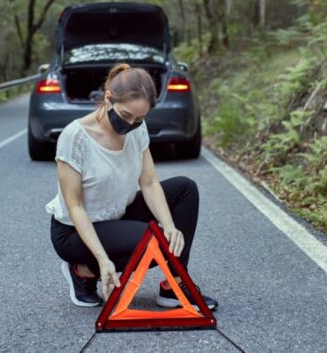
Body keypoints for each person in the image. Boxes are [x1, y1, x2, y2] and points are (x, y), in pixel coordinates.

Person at [46, 63, 217, 310]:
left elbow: (148, 183)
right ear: (108, 98)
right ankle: (83, 270)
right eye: (126, 115)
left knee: (184, 189)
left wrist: (170, 226)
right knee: (153, 242)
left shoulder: (137, 128)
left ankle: (175, 284)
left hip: (117, 214)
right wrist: (103, 262)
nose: (131, 123)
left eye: (140, 118)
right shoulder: (75, 138)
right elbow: (75, 206)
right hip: (74, 231)